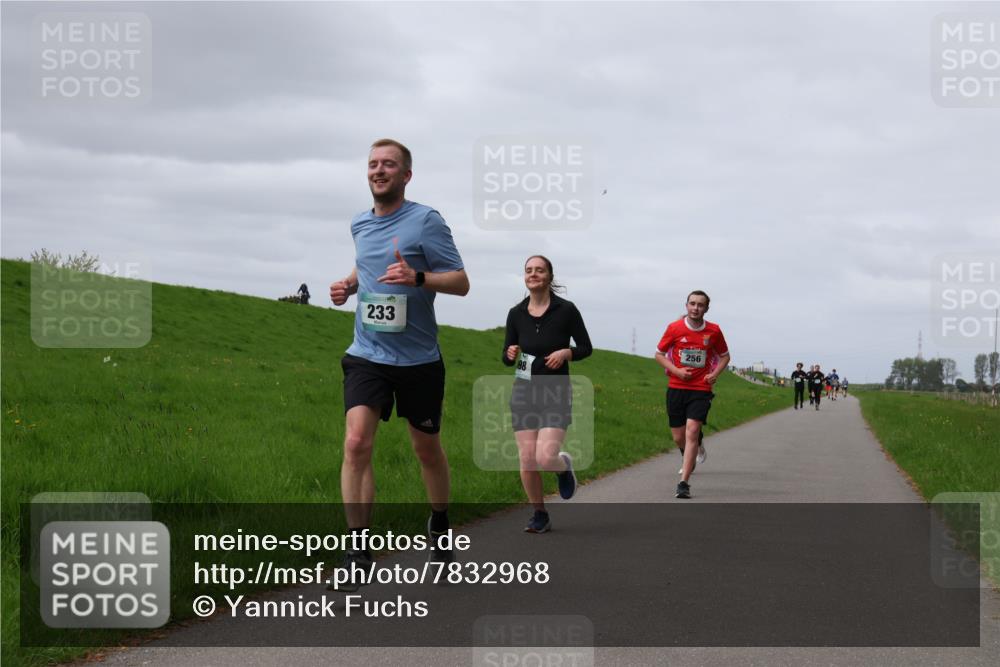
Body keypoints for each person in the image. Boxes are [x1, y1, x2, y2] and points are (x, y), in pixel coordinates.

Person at [329, 139, 469, 589]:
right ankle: (358, 546)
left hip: (419, 360)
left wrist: (419, 277)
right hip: (367, 353)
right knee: (356, 444)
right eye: (372, 164)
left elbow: (462, 282)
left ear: (406, 175)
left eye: (389, 164)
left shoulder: (426, 221)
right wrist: (349, 285)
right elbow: (365, 264)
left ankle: (440, 522)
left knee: (425, 449)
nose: (379, 170)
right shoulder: (359, 222)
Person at [503, 256, 592, 533]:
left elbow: (586, 347)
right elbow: (508, 356)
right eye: (528, 270)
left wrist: (567, 353)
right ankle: (539, 514)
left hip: (555, 390)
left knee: (544, 457)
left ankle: (563, 467)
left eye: (539, 270)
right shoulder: (516, 313)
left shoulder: (566, 310)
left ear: (549, 276)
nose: (533, 274)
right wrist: (509, 354)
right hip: (524, 390)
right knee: (527, 458)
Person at [655, 290, 730, 499]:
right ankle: (690, 450)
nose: (696, 308)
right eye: (692, 304)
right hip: (677, 387)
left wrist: (714, 374)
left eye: (700, 305)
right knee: (679, 437)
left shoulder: (714, 331)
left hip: (701, 389)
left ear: (706, 308)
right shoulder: (675, 328)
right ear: (686, 305)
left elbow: (725, 356)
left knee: (692, 431)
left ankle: (684, 483)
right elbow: (659, 354)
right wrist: (677, 371)